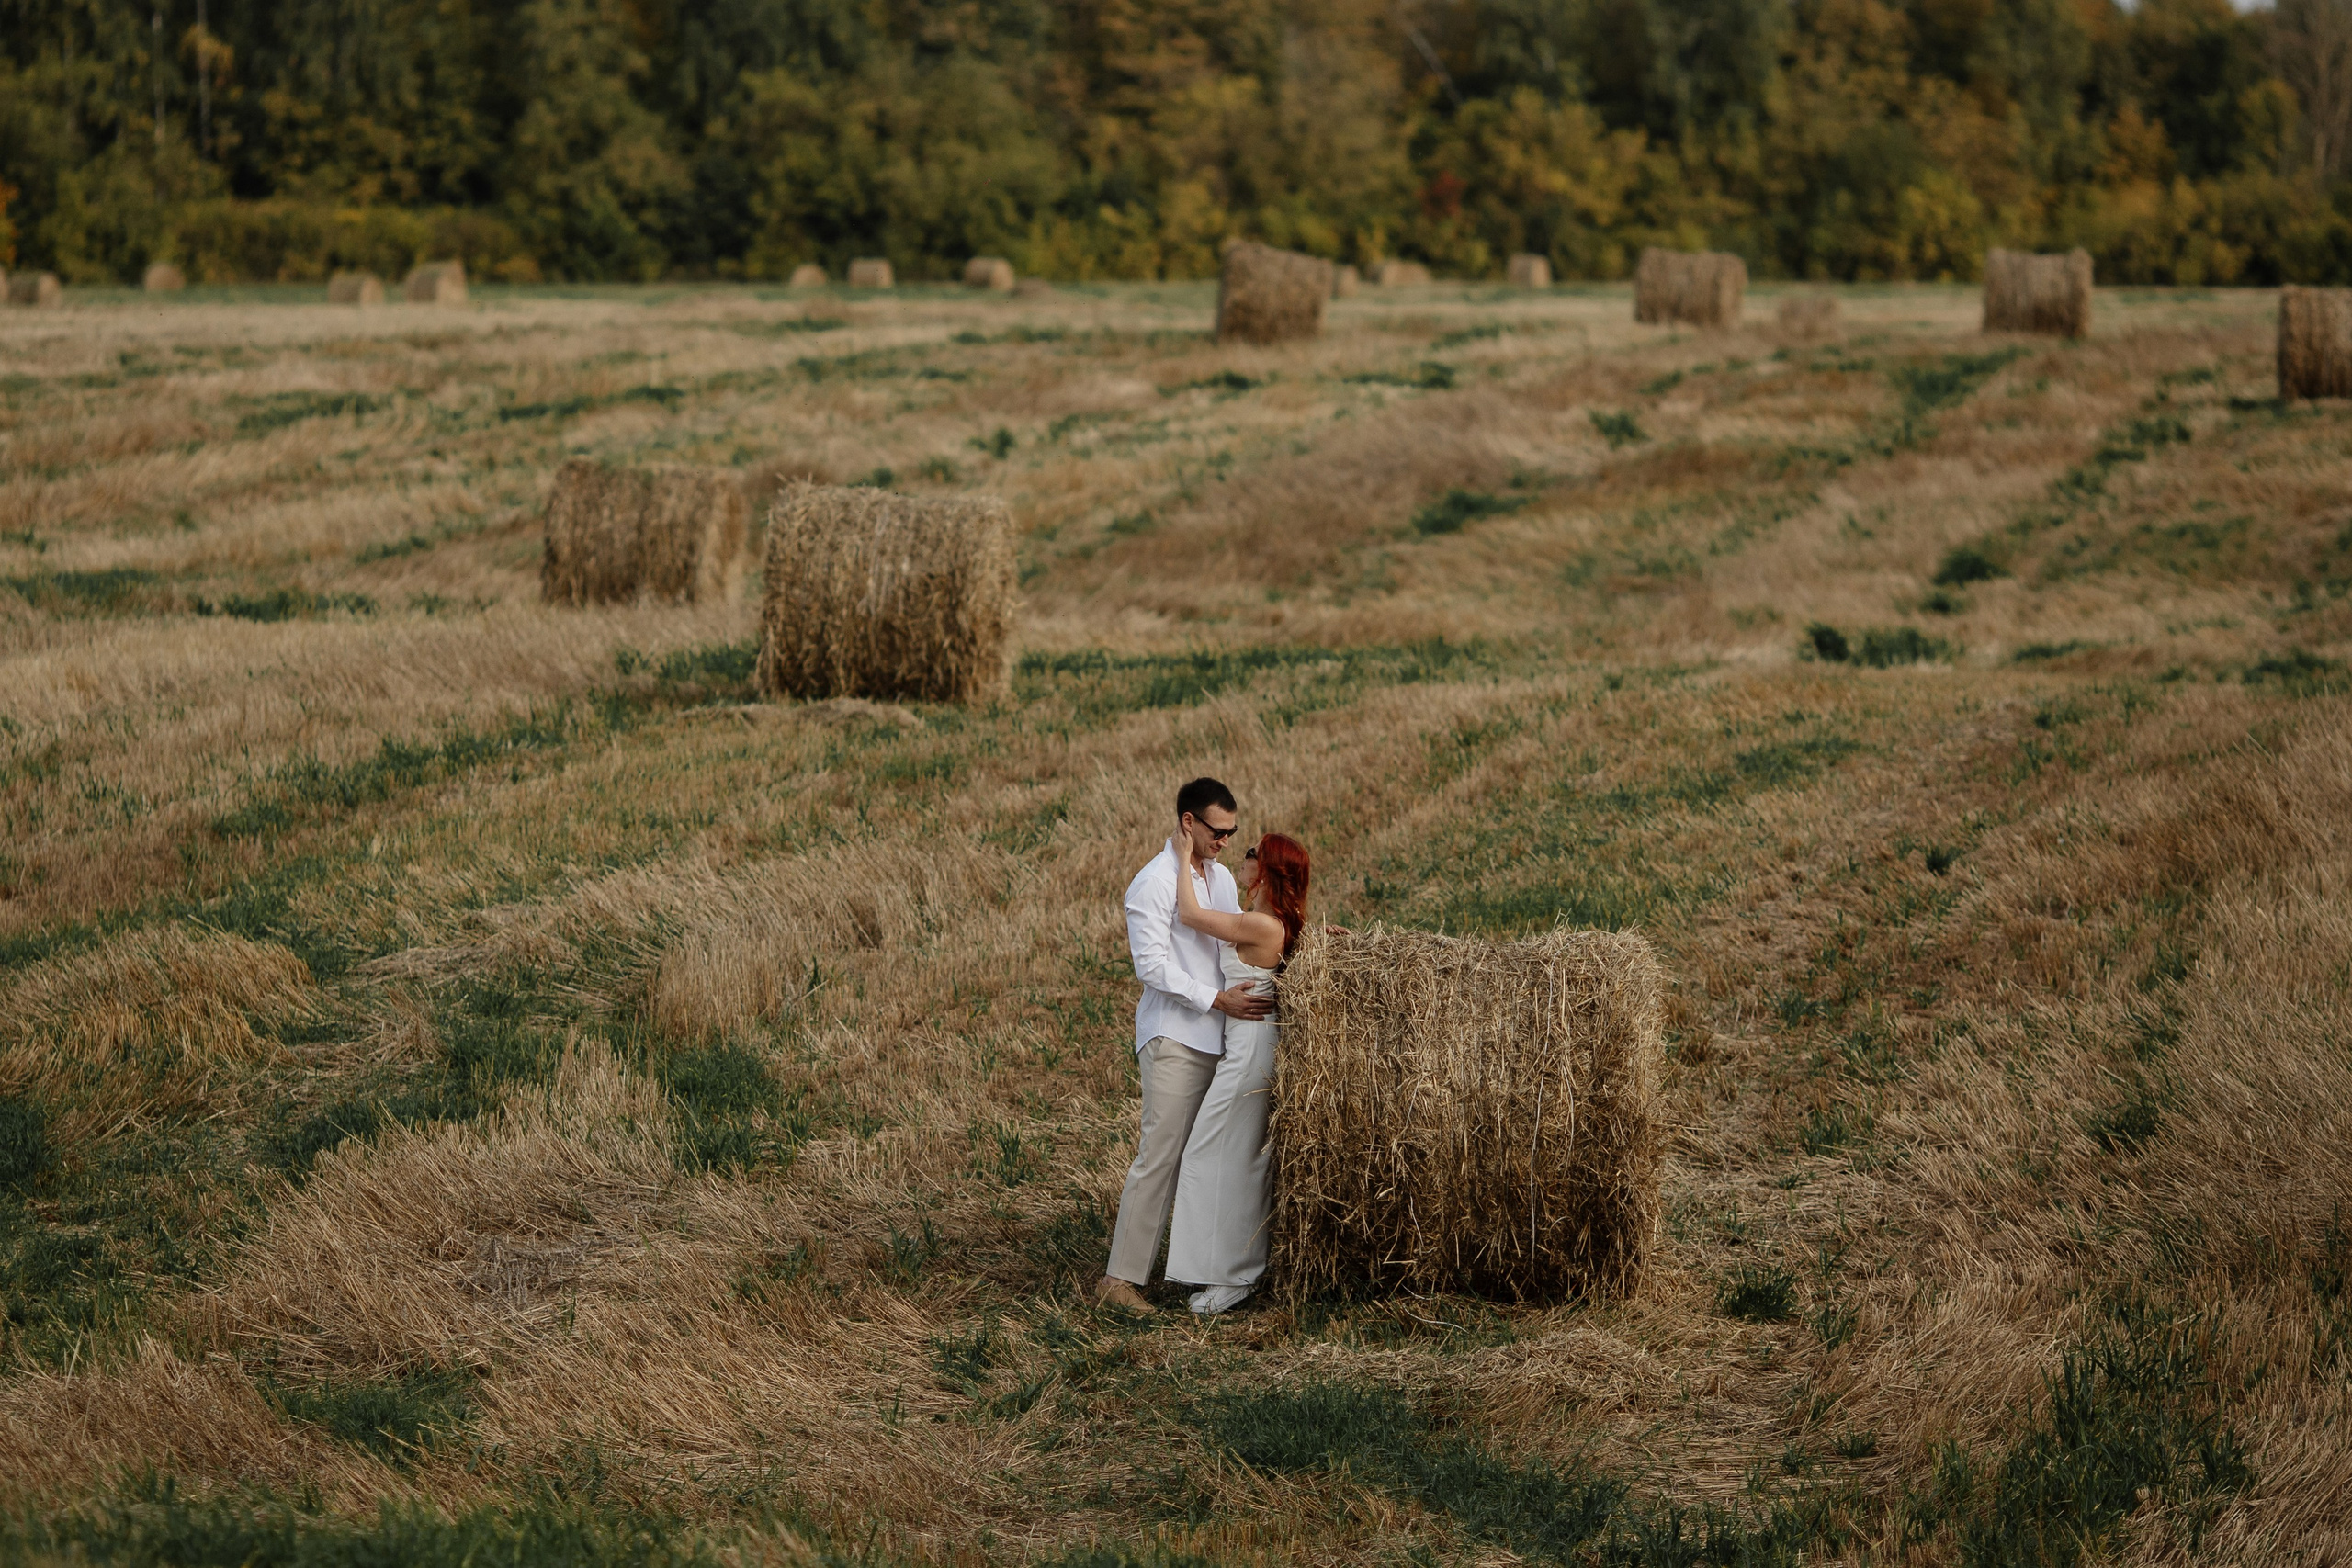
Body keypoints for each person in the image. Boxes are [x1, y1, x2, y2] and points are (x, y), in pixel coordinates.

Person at [1100, 778, 1272, 1313]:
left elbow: (1237, 934)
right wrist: (1217, 1000)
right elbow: (1151, 966)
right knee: (1162, 1157)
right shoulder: (1151, 884)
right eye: (1216, 831)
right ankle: (1120, 1282)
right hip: (1175, 1036)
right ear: (1187, 823)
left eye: (1232, 833)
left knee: (1215, 1157)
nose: (1224, 841)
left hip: (1221, 1038)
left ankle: (1212, 1268)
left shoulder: (1218, 879)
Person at [1164, 829, 1308, 1314]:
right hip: (1246, 1048)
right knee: (1231, 1158)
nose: (1244, 857)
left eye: (1252, 853)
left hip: (1250, 1054)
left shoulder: (1262, 925)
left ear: (1265, 869)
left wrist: (1182, 858)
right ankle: (1223, 1270)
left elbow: (1189, 915)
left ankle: (1235, 1278)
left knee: (1223, 1158)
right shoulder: (1269, 923)